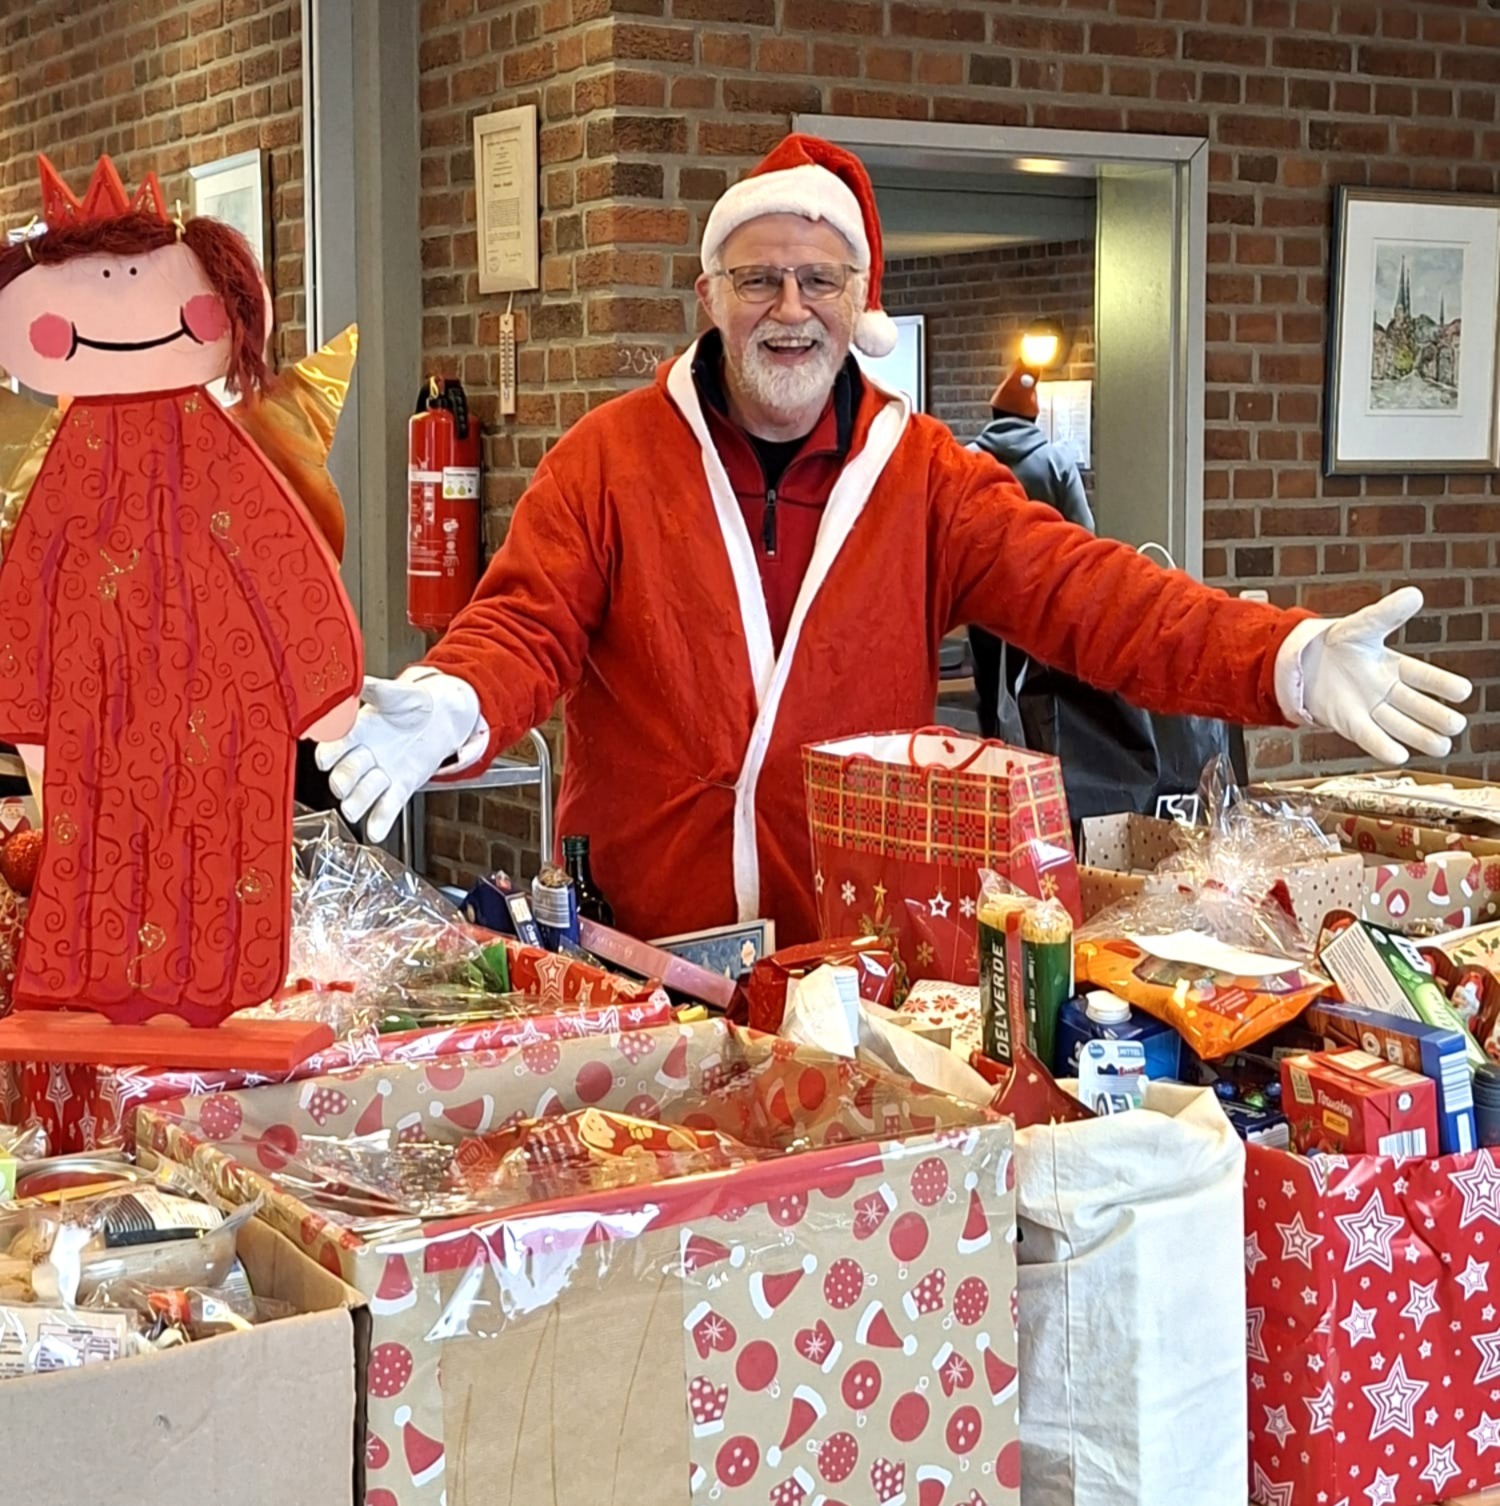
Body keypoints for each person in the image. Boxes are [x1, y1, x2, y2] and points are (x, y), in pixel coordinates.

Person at [318, 133, 1469, 947]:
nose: (789, 307)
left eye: (819, 279)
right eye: (759, 277)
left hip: (857, 967)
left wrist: (1285, 660)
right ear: (710, 295)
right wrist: (458, 702)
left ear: (857, 302)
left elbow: (1096, 598)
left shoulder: (927, 479)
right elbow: (527, 622)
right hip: (641, 957)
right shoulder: (608, 460)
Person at [965, 364, 1093, 741]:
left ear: (993, 416)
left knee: (989, 690)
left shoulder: (967, 460)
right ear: (1034, 417)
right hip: (1040, 600)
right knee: (1036, 691)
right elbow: (1084, 533)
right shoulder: (1056, 462)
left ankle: (991, 755)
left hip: (982, 599)